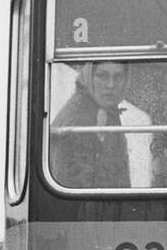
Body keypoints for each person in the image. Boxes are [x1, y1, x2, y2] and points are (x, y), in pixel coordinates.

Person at [49, 61, 138, 189]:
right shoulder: (78, 121)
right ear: (89, 77)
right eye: (102, 76)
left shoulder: (105, 110)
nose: (110, 85)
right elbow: (76, 191)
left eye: (118, 77)